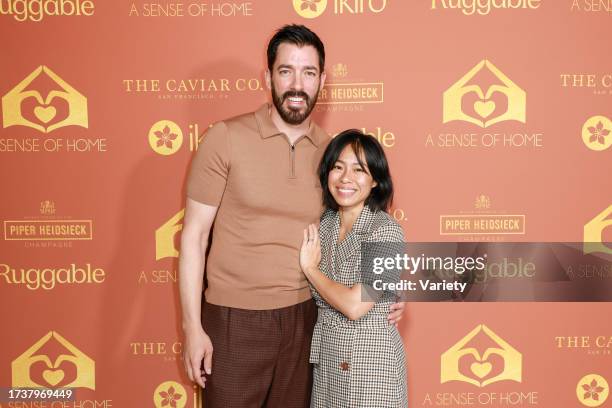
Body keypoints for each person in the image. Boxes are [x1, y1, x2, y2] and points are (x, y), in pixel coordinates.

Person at [179, 25, 404, 407]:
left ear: (322, 81)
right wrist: (192, 327)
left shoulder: (332, 156)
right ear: (267, 76)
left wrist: (387, 291)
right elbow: (194, 237)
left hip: (306, 319)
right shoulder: (225, 137)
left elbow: (355, 231)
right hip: (234, 320)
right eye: (286, 71)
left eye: (308, 73)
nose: (297, 84)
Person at [299, 129, 408, 407]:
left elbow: (355, 306)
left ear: (374, 181)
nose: (345, 178)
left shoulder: (387, 232)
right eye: (337, 167)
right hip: (328, 364)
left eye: (359, 170)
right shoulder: (323, 224)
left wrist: (311, 270)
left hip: (370, 367)